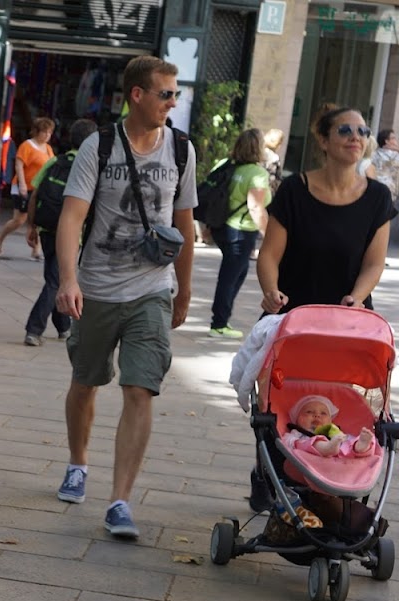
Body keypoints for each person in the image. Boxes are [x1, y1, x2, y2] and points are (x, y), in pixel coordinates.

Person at [53, 55, 197, 541]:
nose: (172, 102)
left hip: (151, 288)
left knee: (140, 389)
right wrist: (69, 280)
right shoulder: (100, 147)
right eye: (165, 94)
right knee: (85, 381)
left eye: (175, 94)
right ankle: (78, 463)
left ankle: (119, 502)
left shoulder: (181, 149)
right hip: (97, 287)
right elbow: (71, 217)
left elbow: (185, 225)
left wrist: (185, 289)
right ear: (137, 94)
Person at [257, 104, 392, 316]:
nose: (356, 137)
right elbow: (269, 254)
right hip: (291, 317)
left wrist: (356, 298)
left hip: (348, 319)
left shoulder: (378, 196)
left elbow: (374, 264)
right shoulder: (294, 189)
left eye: (363, 131)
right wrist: (271, 292)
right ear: (323, 140)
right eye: (345, 130)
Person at [23, 118, 97, 346]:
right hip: (72, 234)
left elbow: (35, 194)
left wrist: (32, 226)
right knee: (56, 281)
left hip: (46, 229)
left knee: (53, 276)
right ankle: (34, 329)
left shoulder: (55, 161)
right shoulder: (90, 165)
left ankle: (63, 326)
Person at [207, 128, 270, 338]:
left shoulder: (226, 165)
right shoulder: (257, 173)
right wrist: (269, 235)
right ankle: (219, 323)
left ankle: (221, 320)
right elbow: (256, 208)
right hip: (242, 231)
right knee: (230, 276)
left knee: (237, 273)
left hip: (222, 227)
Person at [0, 117, 55, 260]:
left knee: (37, 219)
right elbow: (19, 165)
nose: (47, 135)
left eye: (49, 133)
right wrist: (21, 184)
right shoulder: (27, 146)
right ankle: (0, 238)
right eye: (44, 132)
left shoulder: (48, 148)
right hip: (23, 185)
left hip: (38, 188)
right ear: (36, 132)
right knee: (19, 219)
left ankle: (36, 249)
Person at [282, 395, 375, 458]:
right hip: (309, 459)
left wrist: (353, 442)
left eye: (323, 413)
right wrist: (296, 442)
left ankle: (359, 447)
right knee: (303, 443)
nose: (317, 415)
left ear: (330, 421)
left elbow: (344, 439)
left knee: (347, 441)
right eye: (309, 412)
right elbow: (286, 441)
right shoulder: (297, 433)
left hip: (337, 459)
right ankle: (327, 448)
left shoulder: (334, 431)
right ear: (297, 419)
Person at [372, 129, 399, 204]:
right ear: (387, 141)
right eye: (393, 138)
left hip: (375, 192)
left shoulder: (373, 154)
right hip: (390, 194)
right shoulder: (394, 155)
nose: (396, 140)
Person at [262, 128, 284, 195]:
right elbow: (274, 177)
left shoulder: (257, 152)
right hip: (265, 189)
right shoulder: (274, 158)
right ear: (278, 144)